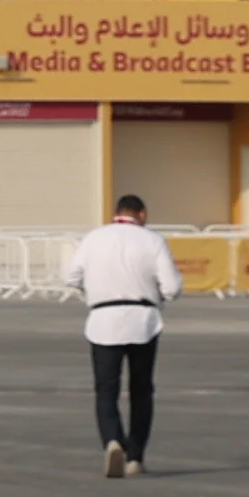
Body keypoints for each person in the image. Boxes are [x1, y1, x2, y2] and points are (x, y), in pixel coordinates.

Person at [71, 191, 178, 477]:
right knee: (142, 389)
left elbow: (70, 276)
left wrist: (92, 291)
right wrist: (158, 295)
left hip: (103, 318)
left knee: (106, 389)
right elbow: (172, 287)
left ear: (116, 213)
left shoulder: (94, 238)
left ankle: (113, 440)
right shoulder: (153, 240)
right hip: (143, 318)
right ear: (141, 215)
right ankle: (136, 457)